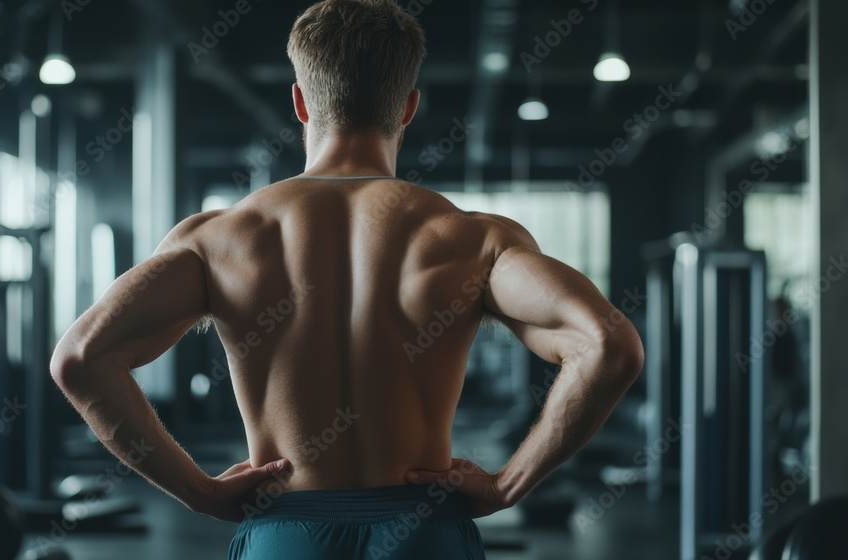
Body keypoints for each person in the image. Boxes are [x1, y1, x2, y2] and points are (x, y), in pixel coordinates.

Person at [49, 0, 644, 558]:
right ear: (408, 106)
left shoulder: (218, 239)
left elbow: (80, 358)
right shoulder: (472, 239)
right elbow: (608, 344)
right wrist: (510, 483)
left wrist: (201, 493)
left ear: (301, 103)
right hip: (423, 527)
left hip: (286, 530)